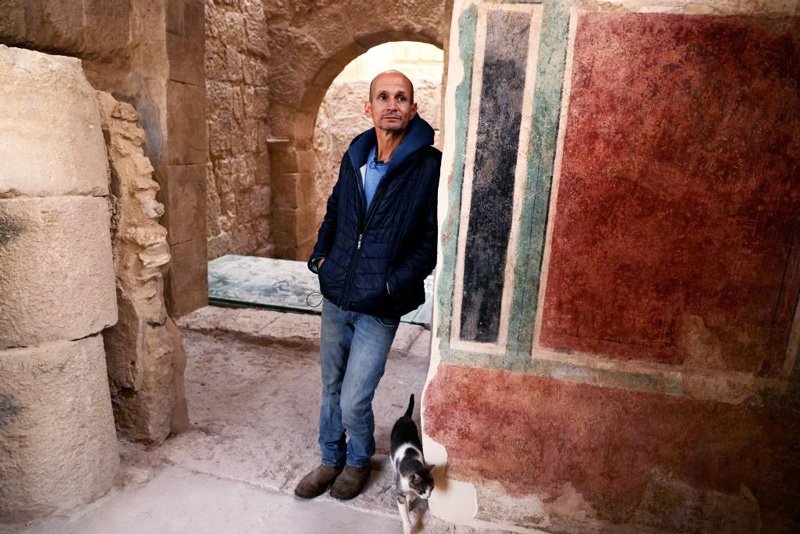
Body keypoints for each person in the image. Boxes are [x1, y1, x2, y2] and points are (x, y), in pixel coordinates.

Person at [294, 70, 440, 501]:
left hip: (381, 302)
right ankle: (329, 457)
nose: (391, 104)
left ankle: (357, 461)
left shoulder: (428, 165)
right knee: (331, 386)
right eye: (383, 97)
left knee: (355, 395)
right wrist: (323, 258)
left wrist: (396, 283)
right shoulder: (355, 156)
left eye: (401, 97)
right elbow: (336, 210)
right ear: (369, 107)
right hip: (338, 294)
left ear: (413, 108)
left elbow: (431, 239)